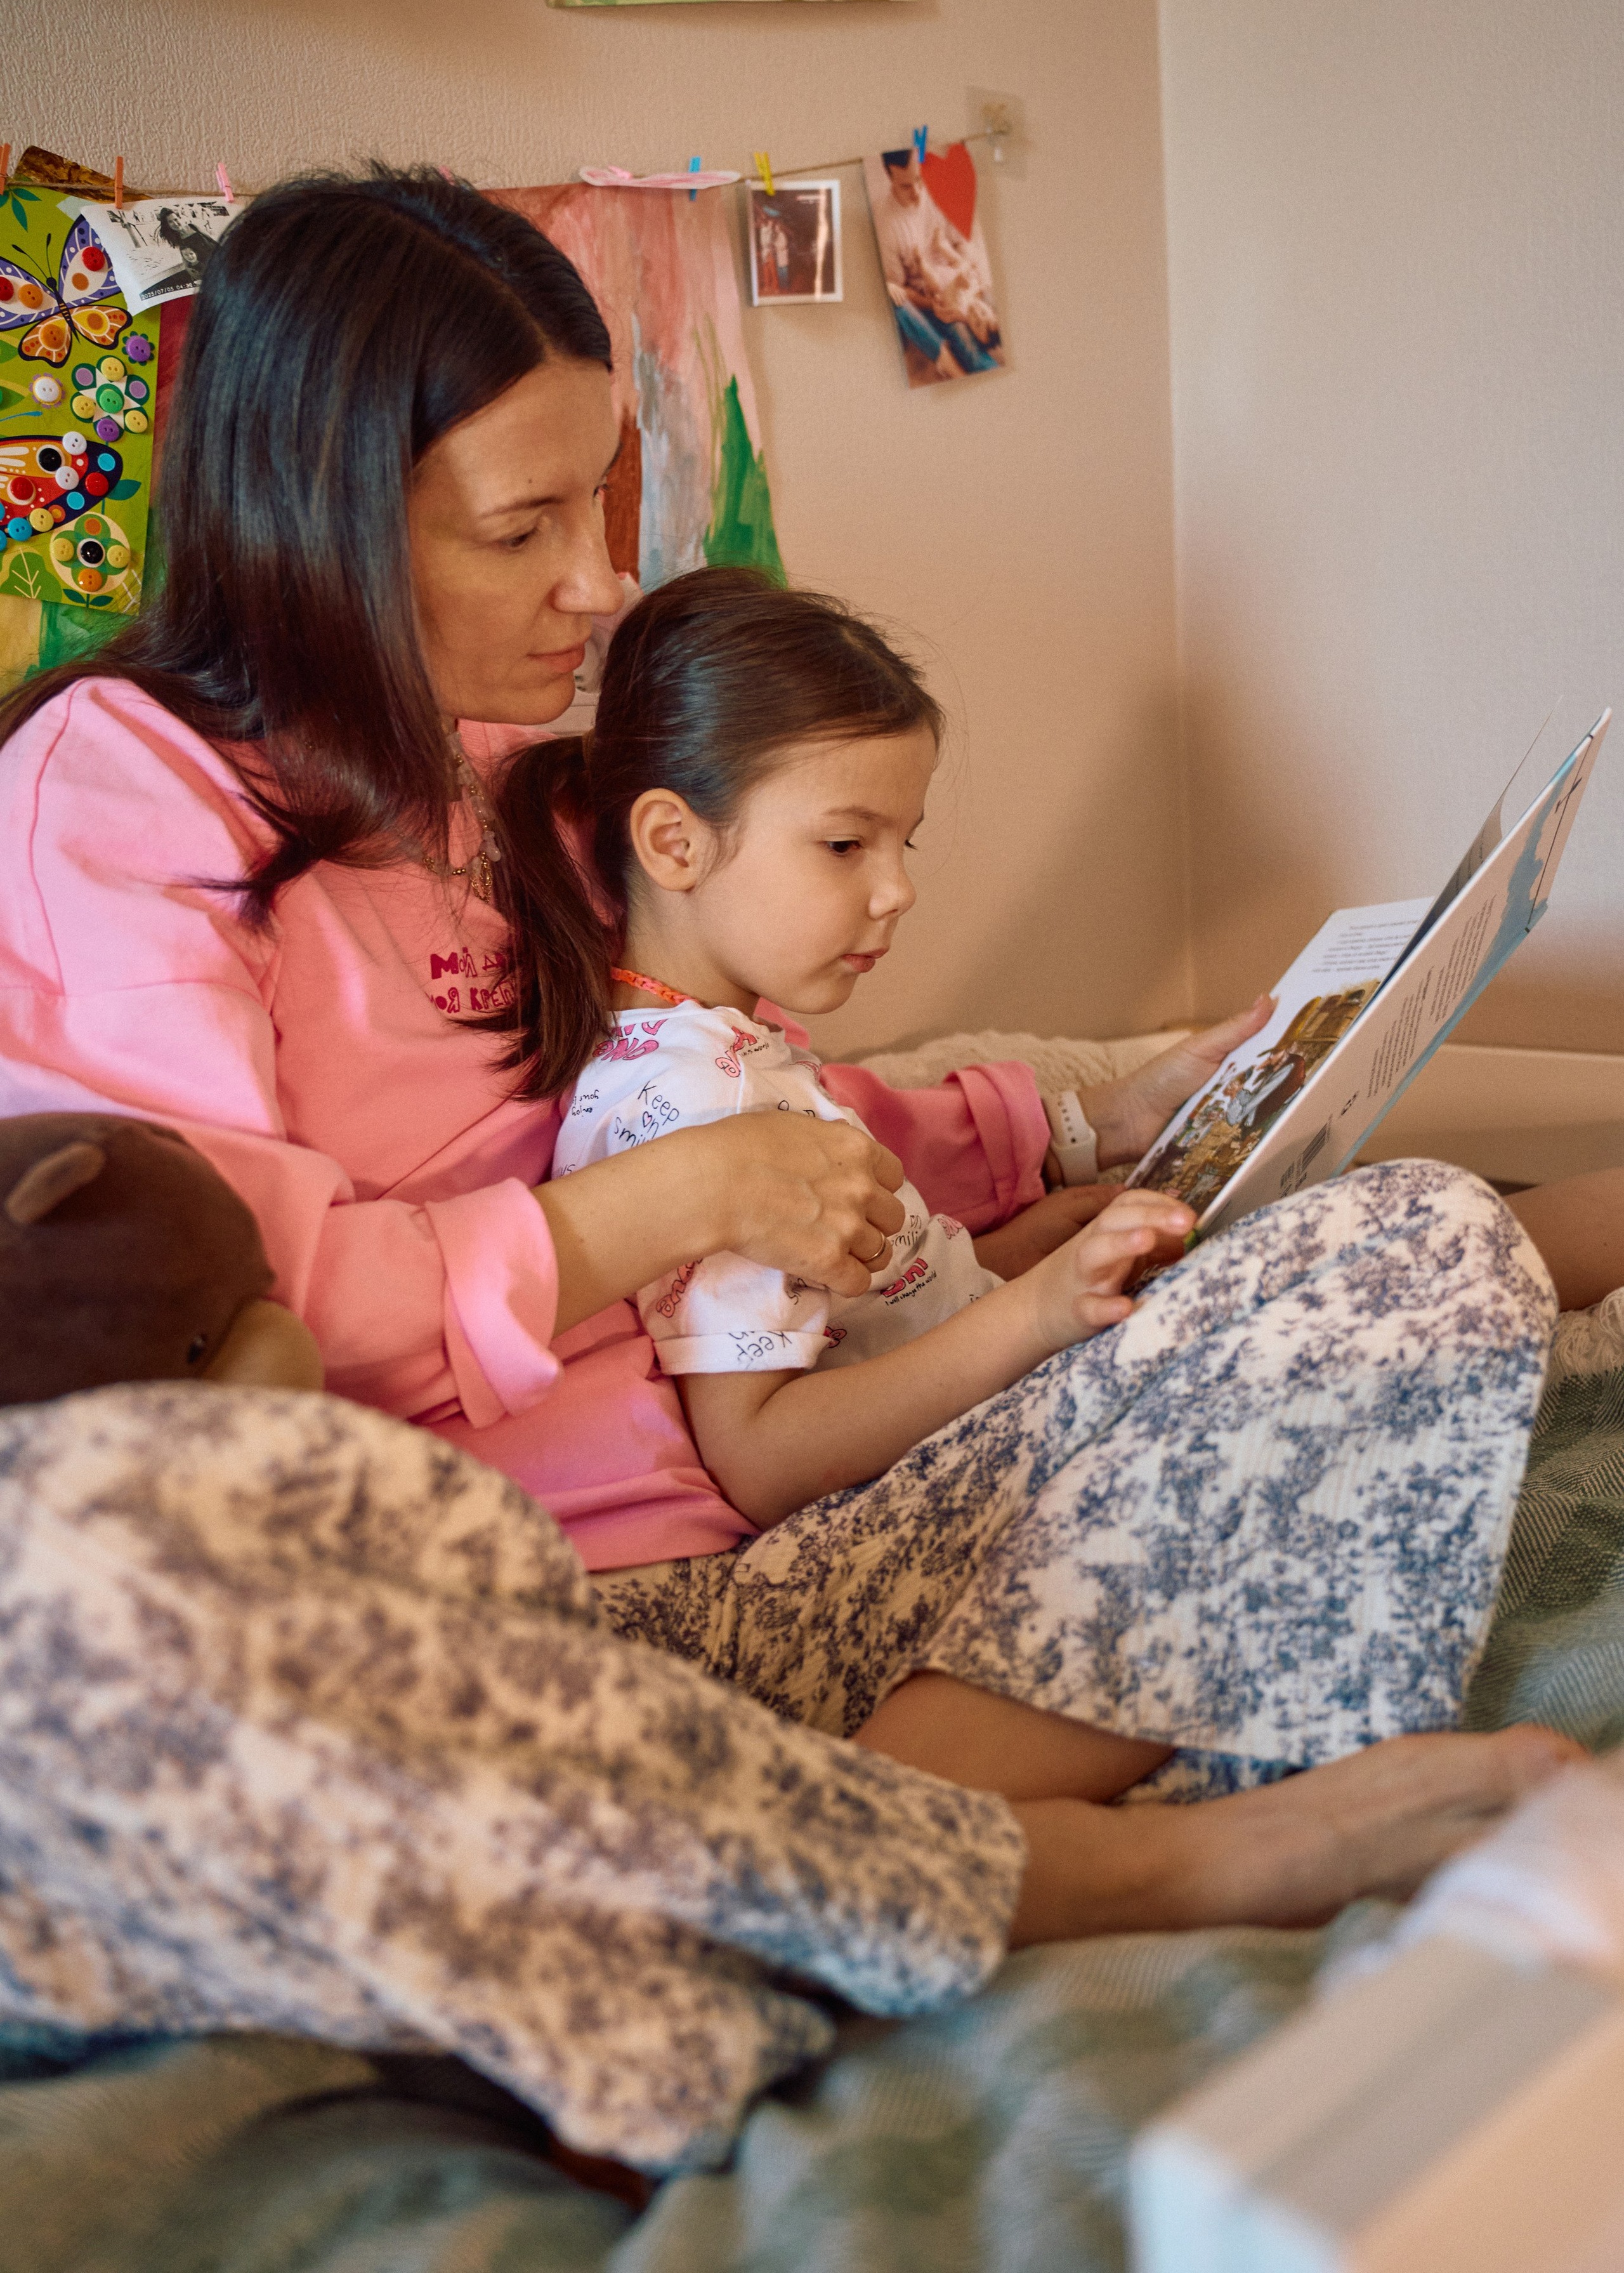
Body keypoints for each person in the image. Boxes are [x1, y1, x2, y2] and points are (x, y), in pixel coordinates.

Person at [0, 168, 1591, 1965]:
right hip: (534, 1614)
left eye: (598, 501)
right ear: (318, 518)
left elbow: (727, 1079)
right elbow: (217, 1309)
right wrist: (660, 1209)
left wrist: (1078, 1112)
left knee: (1402, 1247)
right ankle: (1000, 1861)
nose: (598, 587)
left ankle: (876, 1839)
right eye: (522, 528)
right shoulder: (121, 801)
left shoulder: (483, 780)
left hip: (773, 1551)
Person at [542, 565, 1194, 1531]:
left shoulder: (724, 1049)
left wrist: (1003, 1265)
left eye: (905, 846)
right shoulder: (688, 1097)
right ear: (674, 845)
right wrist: (1035, 1313)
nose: (897, 892)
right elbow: (760, 1456)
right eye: (847, 847)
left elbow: (842, 1321)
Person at [868, 149, 1002, 378]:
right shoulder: (886, 223)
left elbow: (962, 244)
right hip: (932, 298)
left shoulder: (938, 191)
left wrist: (969, 272)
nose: (918, 193)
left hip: (959, 278)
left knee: (994, 312)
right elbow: (899, 290)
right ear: (890, 177)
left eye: (919, 180)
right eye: (906, 186)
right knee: (967, 346)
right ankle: (953, 363)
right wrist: (939, 305)